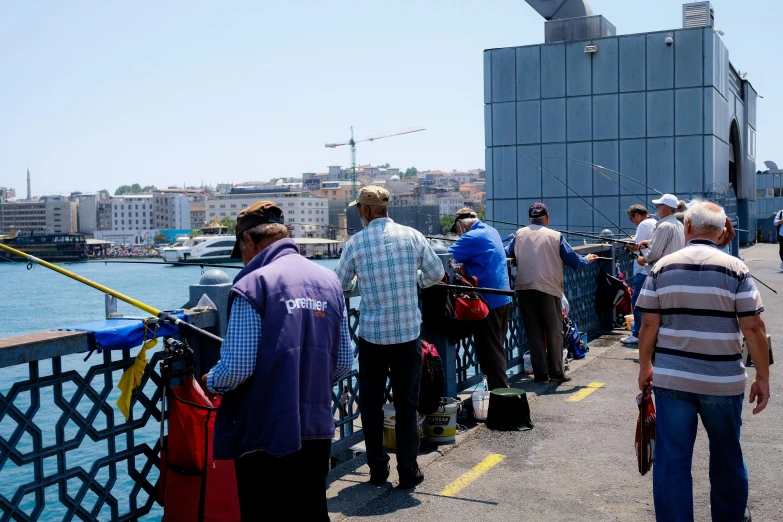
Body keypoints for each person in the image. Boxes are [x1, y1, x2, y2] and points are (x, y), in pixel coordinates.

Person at [203, 201, 353, 522]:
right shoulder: (329, 282)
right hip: (317, 428)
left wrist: (210, 381)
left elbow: (237, 368)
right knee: (311, 510)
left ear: (247, 241)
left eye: (240, 250)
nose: (242, 259)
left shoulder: (253, 285)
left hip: (264, 432)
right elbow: (343, 363)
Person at [636, 200, 770, 522]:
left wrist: (645, 367)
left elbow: (649, 325)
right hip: (722, 382)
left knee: (673, 460)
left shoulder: (661, 268)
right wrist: (763, 378)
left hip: (673, 380)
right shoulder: (735, 269)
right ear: (723, 230)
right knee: (727, 456)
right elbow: (753, 326)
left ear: (687, 227)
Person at [335, 186, 445, 489]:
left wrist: (365, 284)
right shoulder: (412, 236)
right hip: (408, 335)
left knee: (370, 405)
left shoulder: (355, 243)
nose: (359, 213)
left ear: (367, 211)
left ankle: (377, 470)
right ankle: (408, 471)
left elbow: (340, 284)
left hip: (372, 337)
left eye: (359, 209)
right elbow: (437, 273)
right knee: (407, 405)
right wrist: (415, 281)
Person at [511, 203, 598, 383]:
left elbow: (508, 253)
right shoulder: (555, 236)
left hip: (524, 289)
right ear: (547, 218)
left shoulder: (518, 235)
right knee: (553, 331)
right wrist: (587, 260)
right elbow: (573, 260)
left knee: (533, 333)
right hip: (548, 289)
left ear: (530, 219)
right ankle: (556, 372)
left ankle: (541, 375)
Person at [448, 208, 512, 390]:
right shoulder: (492, 231)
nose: (458, 234)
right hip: (503, 297)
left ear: (460, 223)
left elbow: (447, 255)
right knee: (496, 347)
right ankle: (496, 391)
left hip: (488, 302)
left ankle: (500, 395)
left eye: (457, 230)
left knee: (490, 351)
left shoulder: (471, 237)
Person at [622, 204, 656, 345]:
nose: (633, 222)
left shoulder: (644, 224)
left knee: (637, 302)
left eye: (632, 219)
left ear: (637, 215)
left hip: (643, 270)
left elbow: (636, 245)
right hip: (653, 269)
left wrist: (628, 246)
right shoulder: (654, 222)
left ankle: (637, 334)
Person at [638, 194, 685, 267]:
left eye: (659, 205)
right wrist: (649, 243)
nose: (656, 207)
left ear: (665, 208)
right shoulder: (680, 225)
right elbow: (670, 243)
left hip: (665, 272)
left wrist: (643, 259)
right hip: (677, 268)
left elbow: (654, 254)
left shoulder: (664, 226)